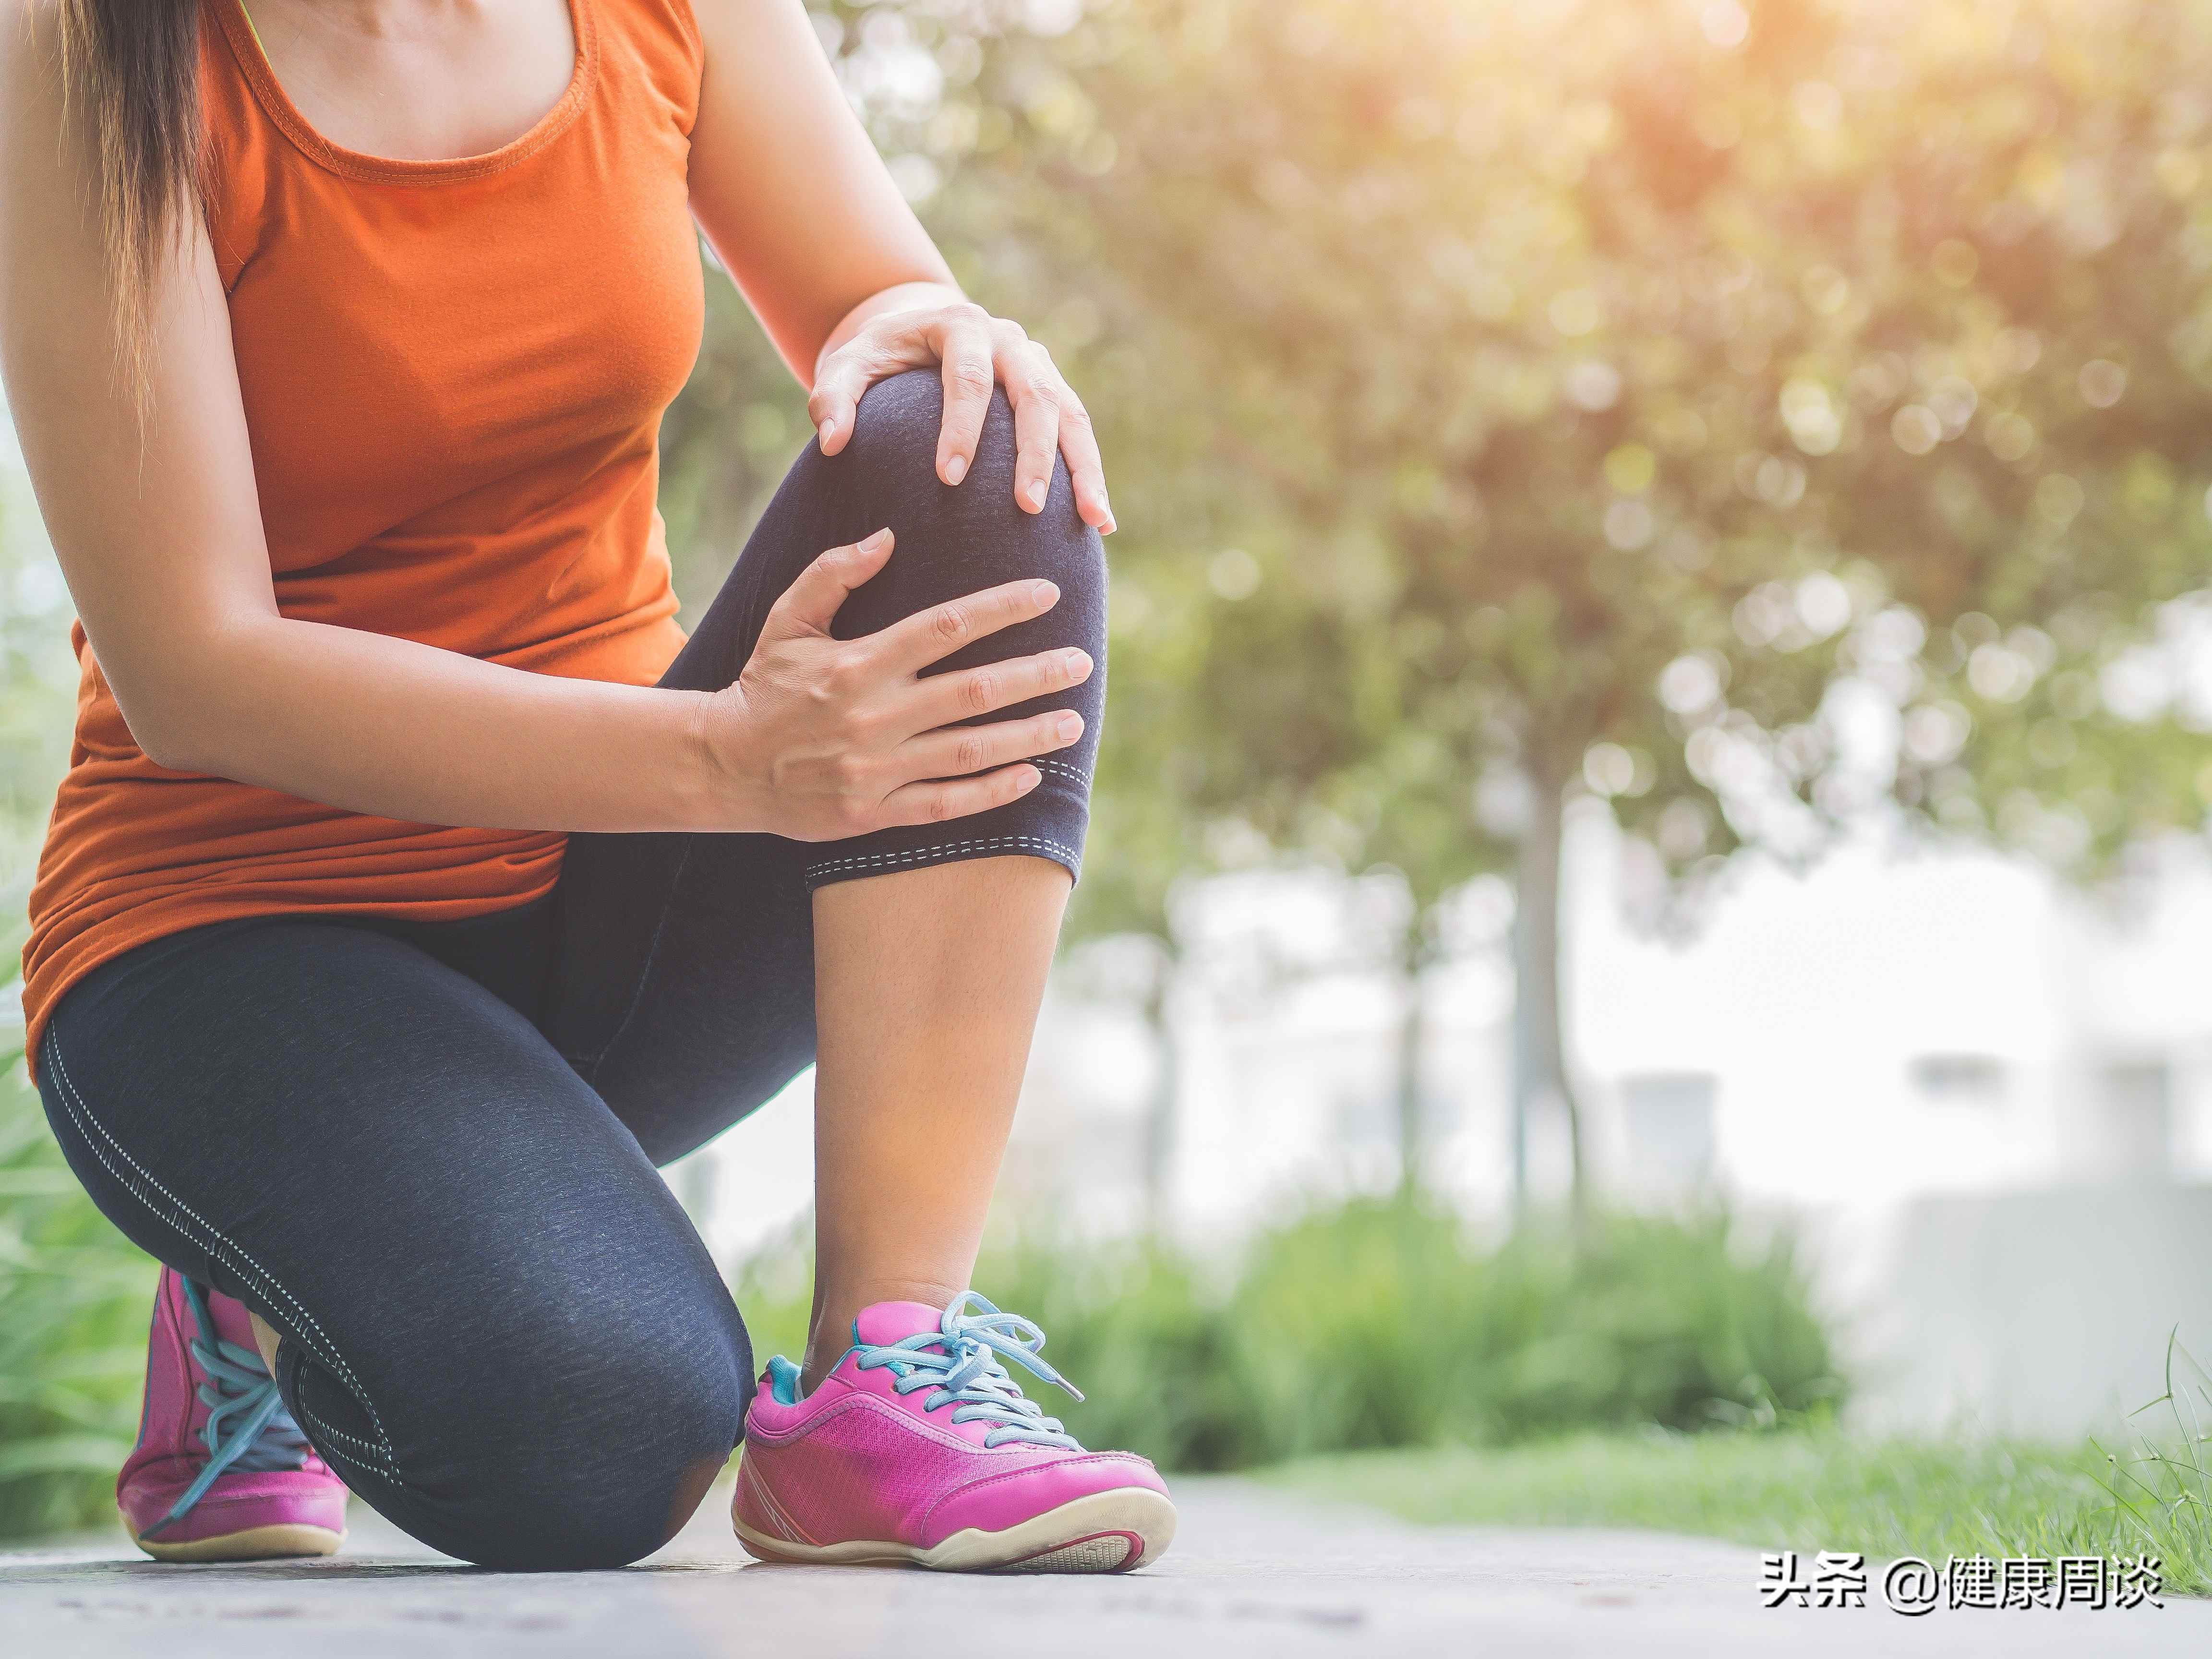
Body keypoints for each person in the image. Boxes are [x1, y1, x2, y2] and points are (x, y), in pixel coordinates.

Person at [0, 0, 1175, 1573]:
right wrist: (736, 761)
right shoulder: (85, 52)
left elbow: (883, 303)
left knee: (973, 438)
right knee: (601, 1437)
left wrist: (930, 319)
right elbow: (193, 671)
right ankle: (265, 1280)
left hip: (606, 887)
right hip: (228, 947)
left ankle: (886, 1377)